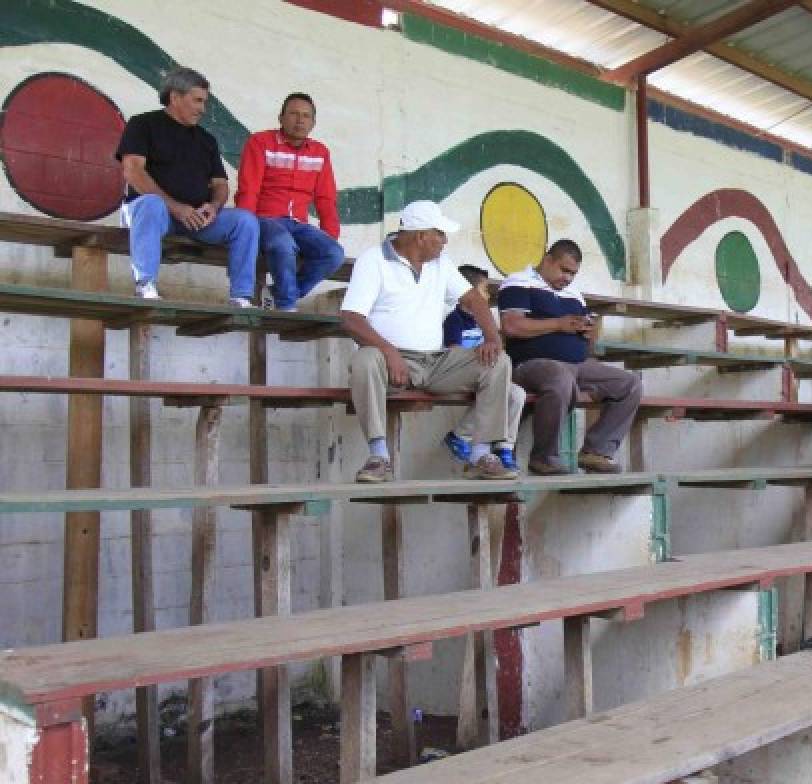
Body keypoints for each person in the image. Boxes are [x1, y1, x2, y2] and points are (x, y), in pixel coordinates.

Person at [341, 200, 517, 482]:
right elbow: (351, 318)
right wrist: (388, 351)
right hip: (391, 362)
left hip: (435, 362)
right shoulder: (373, 260)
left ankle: (479, 454)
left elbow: (474, 300)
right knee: (364, 359)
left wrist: (492, 338)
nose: (445, 241)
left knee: (499, 362)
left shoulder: (441, 264)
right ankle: (378, 456)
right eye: (440, 234)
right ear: (421, 236)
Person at [115, 67, 258, 306]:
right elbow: (132, 170)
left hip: (194, 218)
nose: (203, 109)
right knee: (151, 204)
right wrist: (175, 207)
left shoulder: (206, 140)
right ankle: (145, 284)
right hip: (152, 214)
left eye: (205, 102)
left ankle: (241, 296)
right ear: (174, 97)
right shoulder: (143, 124)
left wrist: (213, 206)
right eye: (197, 101)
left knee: (245, 221)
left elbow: (221, 184)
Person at [499, 240, 642, 475]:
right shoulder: (518, 282)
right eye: (564, 270)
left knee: (630, 384)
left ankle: (596, 451)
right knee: (559, 379)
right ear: (547, 260)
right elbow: (512, 326)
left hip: (577, 364)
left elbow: (585, 334)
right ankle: (543, 458)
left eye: (572, 274)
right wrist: (559, 324)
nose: (567, 278)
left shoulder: (574, 294)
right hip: (530, 364)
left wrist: (589, 331)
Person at [236, 93, 344, 311]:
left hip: (299, 224)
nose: (300, 120)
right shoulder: (259, 143)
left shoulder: (320, 153)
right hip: (264, 220)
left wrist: (328, 237)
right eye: (293, 114)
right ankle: (286, 306)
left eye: (306, 116)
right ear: (281, 118)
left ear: (313, 123)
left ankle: (278, 293)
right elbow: (249, 189)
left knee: (334, 254)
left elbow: (326, 198)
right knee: (284, 243)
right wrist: (245, 230)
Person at [442, 265, 526, 472]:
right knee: (498, 392)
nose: (488, 295)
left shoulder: (484, 322)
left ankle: (504, 447)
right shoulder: (454, 320)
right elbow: (453, 351)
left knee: (517, 394)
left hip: (488, 377)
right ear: (467, 291)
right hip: (462, 375)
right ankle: (461, 435)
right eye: (484, 289)